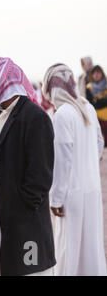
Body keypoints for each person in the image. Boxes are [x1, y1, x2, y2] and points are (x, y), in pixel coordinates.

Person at [0, 57, 56, 276]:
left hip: (21, 224)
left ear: (3, 81)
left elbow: (40, 177)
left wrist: (18, 210)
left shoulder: (34, 117)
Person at [43, 64, 106, 276]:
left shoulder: (62, 114)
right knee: (91, 247)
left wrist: (56, 199)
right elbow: (99, 143)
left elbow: (63, 161)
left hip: (72, 194)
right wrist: (87, 163)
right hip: (92, 189)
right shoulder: (86, 106)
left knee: (68, 249)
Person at [86, 65, 107, 146]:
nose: (96, 75)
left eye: (98, 72)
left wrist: (97, 101)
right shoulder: (89, 87)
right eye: (94, 73)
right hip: (95, 117)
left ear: (102, 73)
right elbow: (89, 103)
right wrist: (101, 101)